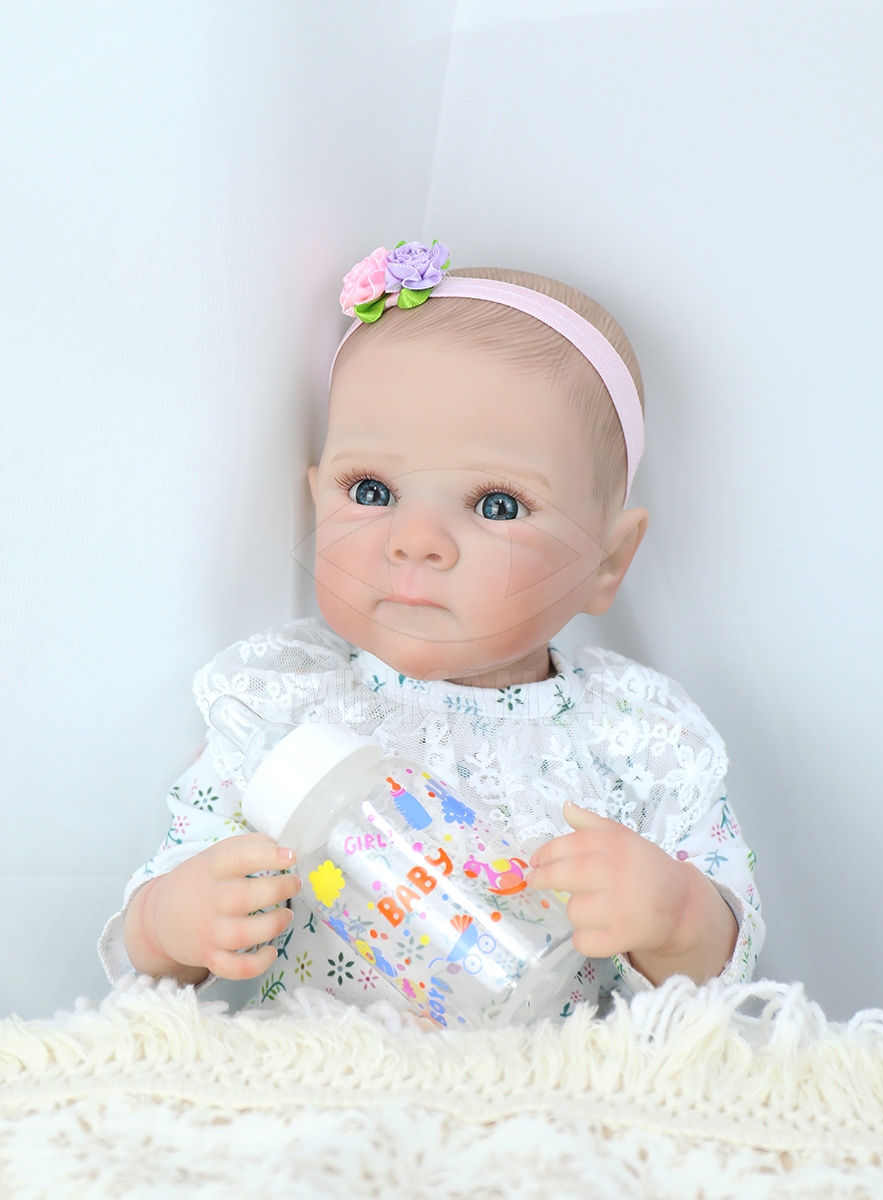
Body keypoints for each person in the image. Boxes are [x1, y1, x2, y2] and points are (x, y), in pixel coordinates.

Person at [100, 243, 763, 1017]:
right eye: (370, 490)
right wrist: (170, 923)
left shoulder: (630, 736)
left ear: (607, 562)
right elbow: (160, 934)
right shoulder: (281, 710)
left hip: (549, 1075)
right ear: (317, 502)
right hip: (322, 1064)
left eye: (497, 505)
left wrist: (677, 916)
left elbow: (729, 966)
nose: (415, 540)